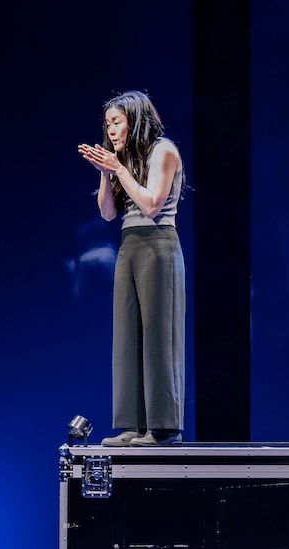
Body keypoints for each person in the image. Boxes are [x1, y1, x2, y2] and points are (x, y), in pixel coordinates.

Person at [78, 90, 186, 447]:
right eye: (107, 123)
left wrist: (118, 168)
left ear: (135, 120)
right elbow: (108, 213)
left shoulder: (164, 151)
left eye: (117, 121)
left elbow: (152, 204)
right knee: (127, 335)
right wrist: (105, 174)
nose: (110, 129)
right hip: (129, 245)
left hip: (158, 246)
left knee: (159, 336)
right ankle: (133, 425)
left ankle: (164, 428)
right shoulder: (123, 161)